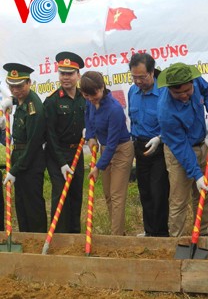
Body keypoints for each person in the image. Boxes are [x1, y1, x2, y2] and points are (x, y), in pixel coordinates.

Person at [157, 62, 208, 237]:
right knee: (179, 199)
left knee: (203, 193)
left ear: (192, 82)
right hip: (179, 153)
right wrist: (196, 173)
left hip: (201, 145)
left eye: (187, 91)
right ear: (169, 89)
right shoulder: (166, 112)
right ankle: (175, 239)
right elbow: (181, 147)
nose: (184, 95)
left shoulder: (196, 80)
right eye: (178, 93)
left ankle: (202, 232)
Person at [80, 71, 134, 236]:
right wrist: (90, 137)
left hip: (121, 150)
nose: (91, 98)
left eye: (94, 94)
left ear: (102, 87)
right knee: (108, 195)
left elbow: (112, 143)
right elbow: (88, 119)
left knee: (117, 195)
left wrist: (97, 167)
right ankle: (118, 232)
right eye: (87, 95)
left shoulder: (114, 109)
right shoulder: (90, 101)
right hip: (105, 150)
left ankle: (116, 238)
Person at [1, 63, 47, 232]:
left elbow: (33, 144)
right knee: (21, 202)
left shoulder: (33, 107)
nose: (15, 90)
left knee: (32, 203)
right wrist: (10, 101)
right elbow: (17, 98)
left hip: (30, 161)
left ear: (29, 83)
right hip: (19, 156)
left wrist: (15, 170)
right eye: (12, 86)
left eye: (19, 86)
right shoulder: (20, 100)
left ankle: (37, 241)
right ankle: (25, 239)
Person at [44, 52, 86, 233]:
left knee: (76, 195)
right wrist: (61, 162)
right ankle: (60, 236)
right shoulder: (52, 101)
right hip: (57, 155)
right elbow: (50, 136)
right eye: (62, 73)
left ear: (78, 75)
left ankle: (74, 236)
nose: (66, 77)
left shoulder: (84, 97)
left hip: (77, 153)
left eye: (70, 73)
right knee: (61, 196)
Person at [128, 53, 169, 237]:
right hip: (140, 146)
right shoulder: (132, 92)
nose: (138, 82)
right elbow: (133, 120)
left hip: (160, 146)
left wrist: (160, 138)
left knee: (158, 192)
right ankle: (149, 231)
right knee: (145, 192)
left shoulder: (164, 92)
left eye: (142, 77)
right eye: (134, 77)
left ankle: (160, 233)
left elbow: (171, 121)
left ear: (152, 72)